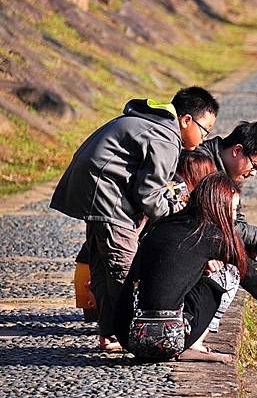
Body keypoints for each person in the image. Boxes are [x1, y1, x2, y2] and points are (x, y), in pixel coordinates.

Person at [50, 86, 219, 351]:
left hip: (92, 190)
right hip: (107, 196)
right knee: (124, 267)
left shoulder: (150, 122)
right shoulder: (166, 136)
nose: (204, 137)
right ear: (186, 120)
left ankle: (110, 333)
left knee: (104, 265)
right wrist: (177, 211)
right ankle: (127, 334)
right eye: (205, 129)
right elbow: (150, 196)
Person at [114, 172, 257, 362]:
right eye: (233, 209)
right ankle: (194, 345)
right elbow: (246, 271)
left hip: (128, 335)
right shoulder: (210, 235)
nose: (235, 216)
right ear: (219, 207)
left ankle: (187, 342)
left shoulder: (161, 226)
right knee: (229, 272)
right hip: (168, 340)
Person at [194, 121, 257, 265]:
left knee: (250, 257)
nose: (253, 174)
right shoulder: (201, 165)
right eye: (255, 166)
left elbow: (235, 217)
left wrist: (252, 243)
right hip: (190, 239)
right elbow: (218, 222)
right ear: (237, 150)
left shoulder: (229, 172)